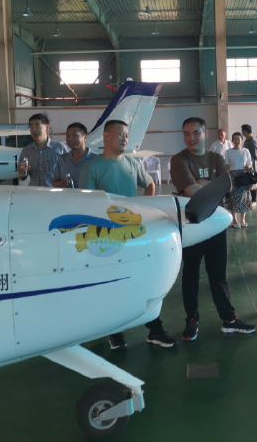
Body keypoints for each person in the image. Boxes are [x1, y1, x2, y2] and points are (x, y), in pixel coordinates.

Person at [80, 120, 172, 349]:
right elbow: (85, 203)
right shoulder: (93, 168)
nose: (125, 138)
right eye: (120, 134)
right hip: (107, 238)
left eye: (127, 135)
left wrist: (144, 210)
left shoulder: (132, 163)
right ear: (106, 136)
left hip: (133, 237)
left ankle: (155, 329)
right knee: (112, 285)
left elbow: (149, 184)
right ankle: (115, 332)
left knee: (145, 282)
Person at [170, 117, 256, 340]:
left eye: (196, 133)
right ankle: (191, 319)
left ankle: (229, 319)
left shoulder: (216, 157)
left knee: (218, 274)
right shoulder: (178, 160)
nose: (191, 138)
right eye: (186, 133)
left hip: (215, 222)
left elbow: (224, 187)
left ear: (205, 133)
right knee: (190, 274)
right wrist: (213, 185)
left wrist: (205, 184)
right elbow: (193, 191)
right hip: (191, 224)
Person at [18, 112, 68, 187]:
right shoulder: (26, 151)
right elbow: (22, 178)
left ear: (47, 127)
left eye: (37, 126)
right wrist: (22, 172)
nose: (34, 130)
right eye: (31, 127)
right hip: (34, 192)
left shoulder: (60, 148)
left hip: (53, 192)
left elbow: (68, 172)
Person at [53, 122, 96, 188]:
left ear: (85, 137)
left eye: (74, 135)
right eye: (68, 135)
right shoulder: (62, 159)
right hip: (66, 194)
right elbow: (55, 182)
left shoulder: (95, 159)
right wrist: (60, 183)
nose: (70, 138)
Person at [224, 132, 253, 228]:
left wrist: (247, 166)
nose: (236, 141)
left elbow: (250, 164)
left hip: (244, 177)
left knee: (244, 198)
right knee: (233, 199)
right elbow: (226, 166)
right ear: (232, 140)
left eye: (238, 139)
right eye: (234, 139)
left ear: (242, 140)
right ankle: (235, 220)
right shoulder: (229, 152)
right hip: (233, 177)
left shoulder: (246, 151)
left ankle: (243, 219)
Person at [242, 124, 257, 206]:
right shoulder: (246, 140)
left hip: (251, 165)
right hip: (246, 165)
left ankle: (254, 200)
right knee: (248, 182)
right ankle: (248, 199)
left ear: (244, 131)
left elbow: (256, 155)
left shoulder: (252, 141)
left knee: (253, 182)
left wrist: (253, 166)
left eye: (242, 131)